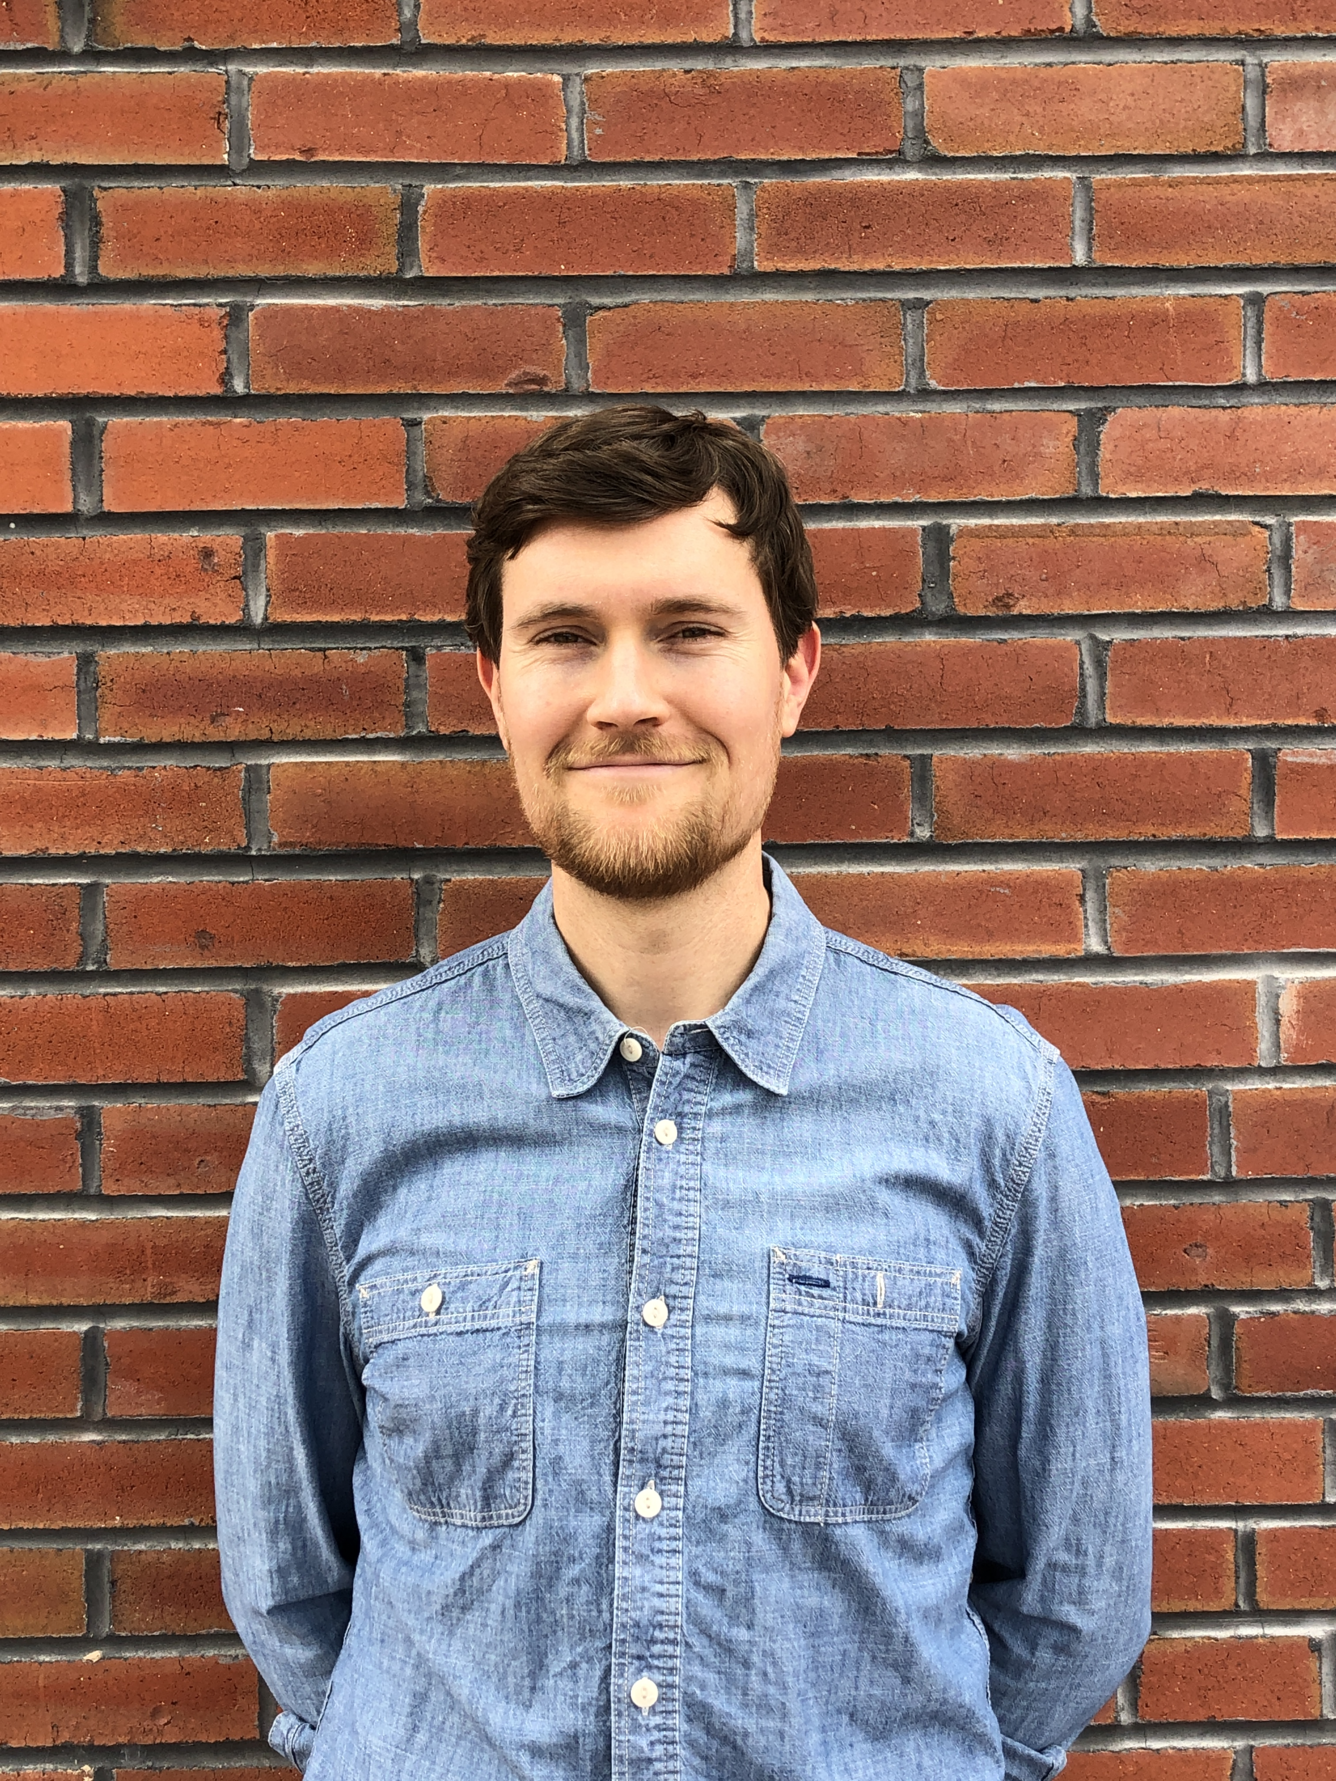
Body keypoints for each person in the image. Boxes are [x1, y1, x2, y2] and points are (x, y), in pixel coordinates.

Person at [215, 405, 1152, 1781]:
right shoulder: (337, 1113)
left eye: (691, 630)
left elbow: (1075, 1595)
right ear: (492, 686)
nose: (626, 696)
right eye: (565, 636)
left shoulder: (988, 1107)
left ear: (794, 671)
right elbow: (291, 1588)